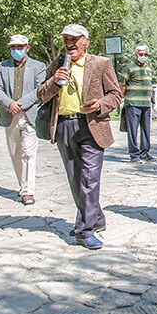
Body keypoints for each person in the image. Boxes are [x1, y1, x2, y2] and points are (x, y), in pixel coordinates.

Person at [38, 24, 122, 250]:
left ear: (85, 41)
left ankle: (84, 231)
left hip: (91, 126)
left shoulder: (101, 64)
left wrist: (99, 105)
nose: (69, 43)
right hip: (64, 125)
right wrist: (55, 81)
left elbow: (116, 95)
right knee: (76, 180)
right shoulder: (58, 64)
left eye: (74, 39)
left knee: (89, 179)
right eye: (66, 39)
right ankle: (96, 217)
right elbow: (41, 94)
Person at [0, 34, 46, 205]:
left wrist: (21, 104)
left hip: (29, 114)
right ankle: (22, 185)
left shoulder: (38, 66)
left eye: (19, 47)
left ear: (27, 48)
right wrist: (10, 104)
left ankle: (28, 191)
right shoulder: (3, 66)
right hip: (11, 114)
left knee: (28, 153)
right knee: (15, 153)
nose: (16, 50)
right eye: (13, 47)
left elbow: (40, 89)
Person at [119, 45, 155, 163]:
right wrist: (125, 98)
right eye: (141, 54)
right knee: (133, 130)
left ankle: (145, 152)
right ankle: (134, 155)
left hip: (146, 104)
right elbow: (121, 85)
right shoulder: (129, 68)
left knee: (146, 130)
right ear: (136, 54)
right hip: (133, 104)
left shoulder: (149, 68)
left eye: (145, 54)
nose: (143, 56)